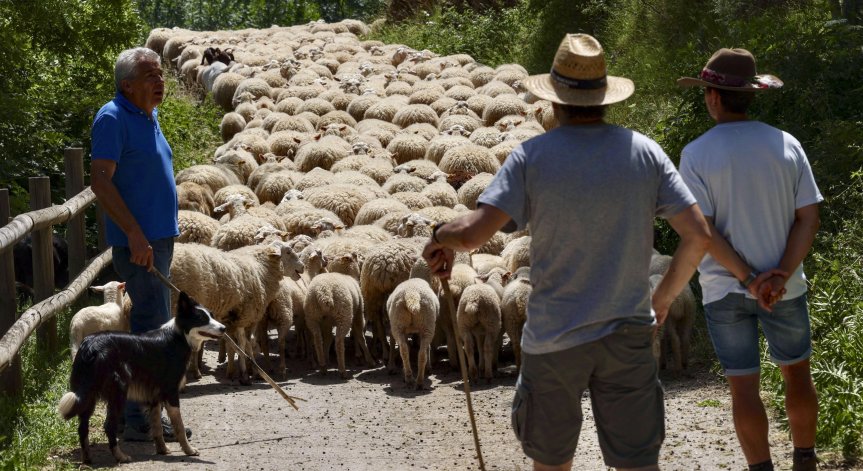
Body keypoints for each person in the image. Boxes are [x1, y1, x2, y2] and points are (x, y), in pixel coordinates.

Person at [422, 34, 711, 471]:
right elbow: (699, 236)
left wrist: (440, 234)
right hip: (628, 332)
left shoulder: (532, 157)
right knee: (637, 462)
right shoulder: (644, 153)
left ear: (553, 101)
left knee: (553, 462)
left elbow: (474, 234)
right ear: (604, 98)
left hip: (554, 336)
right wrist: (663, 298)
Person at [677, 48, 822, 471]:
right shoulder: (786, 143)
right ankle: (805, 460)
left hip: (725, 289)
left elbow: (701, 231)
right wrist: (779, 277)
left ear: (714, 97)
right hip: (786, 288)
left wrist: (749, 279)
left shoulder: (697, 154)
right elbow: (808, 218)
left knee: (743, 389)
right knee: (797, 374)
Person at [90, 47, 189, 442]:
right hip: (140, 243)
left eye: (160, 74)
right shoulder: (113, 117)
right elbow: (100, 181)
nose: (160, 81)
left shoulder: (150, 116)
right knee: (148, 336)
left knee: (154, 329)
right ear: (127, 85)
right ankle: (136, 421)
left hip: (158, 240)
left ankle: (141, 417)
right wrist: (133, 233)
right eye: (150, 76)